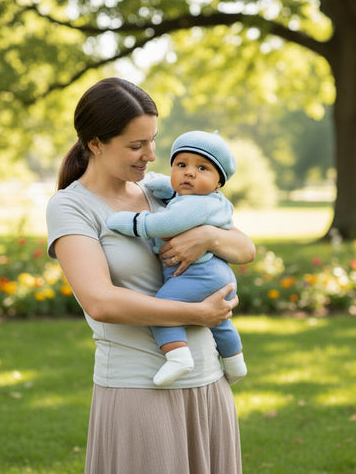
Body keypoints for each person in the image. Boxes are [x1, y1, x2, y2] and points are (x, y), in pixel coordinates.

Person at [46, 77, 256, 474]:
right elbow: (100, 302)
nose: (151, 156)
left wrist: (207, 236)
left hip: (208, 380)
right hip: (140, 389)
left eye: (153, 140)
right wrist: (199, 315)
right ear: (95, 144)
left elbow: (246, 249)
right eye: (136, 145)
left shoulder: (164, 191)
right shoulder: (71, 207)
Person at [106, 130, 248, 387]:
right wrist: (161, 184)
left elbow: (168, 222)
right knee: (221, 325)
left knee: (163, 309)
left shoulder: (197, 205)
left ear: (218, 182)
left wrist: (134, 222)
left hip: (198, 274)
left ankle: (177, 357)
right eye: (181, 165)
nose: (189, 173)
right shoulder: (202, 200)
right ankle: (236, 362)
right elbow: (175, 197)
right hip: (215, 274)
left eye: (202, 168)